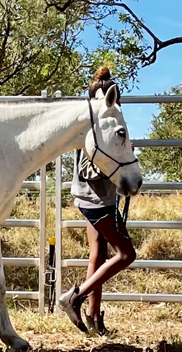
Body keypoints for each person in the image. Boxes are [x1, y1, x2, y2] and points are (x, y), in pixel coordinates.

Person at [58, 67, 137, 335]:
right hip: (97, 200)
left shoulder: (92, 124)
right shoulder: (99, 125)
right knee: (126, 254)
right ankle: (74, 297)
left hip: (92, 197)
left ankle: (94, 319)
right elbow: (90, 167)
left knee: (98, 254)